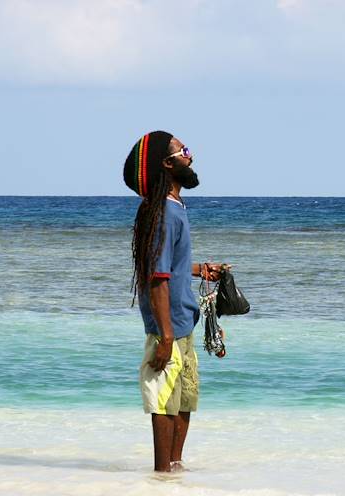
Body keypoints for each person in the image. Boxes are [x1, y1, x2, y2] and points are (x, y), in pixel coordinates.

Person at [123, 130, 224, 472]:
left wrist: (199, 270)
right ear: (167, 163)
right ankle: (161, 476)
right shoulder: (163, 212)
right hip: (168, 328)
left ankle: (175, 471)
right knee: (164, 404)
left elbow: (170, 265)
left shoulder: (175, 206)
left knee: (184, 400)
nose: (191, 157)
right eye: (185, 151)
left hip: (183, 322)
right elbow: (156, 277)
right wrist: (165, 336)